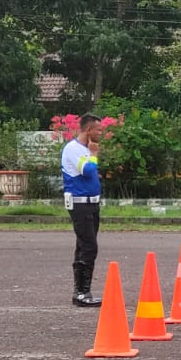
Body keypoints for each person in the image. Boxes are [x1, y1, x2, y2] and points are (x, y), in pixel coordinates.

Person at [62, 114, 106, 307]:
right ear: (88, 130)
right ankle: (82, 292)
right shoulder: (73, 149)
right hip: (79, 203)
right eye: (99, 130)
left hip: (91, 203)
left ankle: (80, 291)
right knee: (89, 246)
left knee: (83, 246)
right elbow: (87, 171)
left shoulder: (86, 149)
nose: (101, 133)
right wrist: (94, 155)